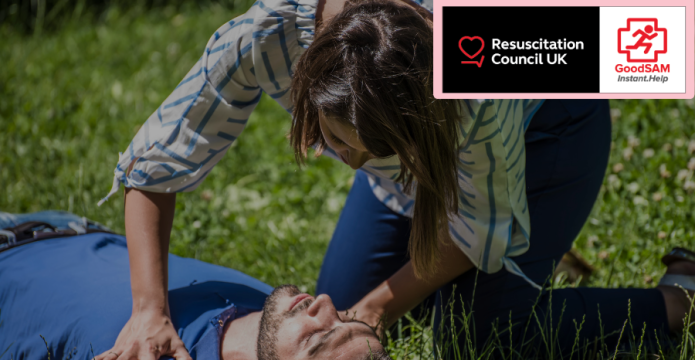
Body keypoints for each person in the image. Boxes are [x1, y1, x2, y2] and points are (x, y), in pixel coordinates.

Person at [98, 0, 695, 356]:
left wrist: (375, 311)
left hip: (549, 133)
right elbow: (157, 162)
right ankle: (528, 246)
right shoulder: (264, 35)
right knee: (337, 300)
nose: (353, 166)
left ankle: (680, 298)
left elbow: (479, 225)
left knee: (475, 336)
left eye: (377, 151)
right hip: (438, 146)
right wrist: (149, 309)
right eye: (339, 143)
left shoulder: (484, 65)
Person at [0, 211, 390, 360]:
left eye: (316, 340)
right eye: (345, 319)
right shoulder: (268, 312)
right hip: (69, 226)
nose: (323, 303)